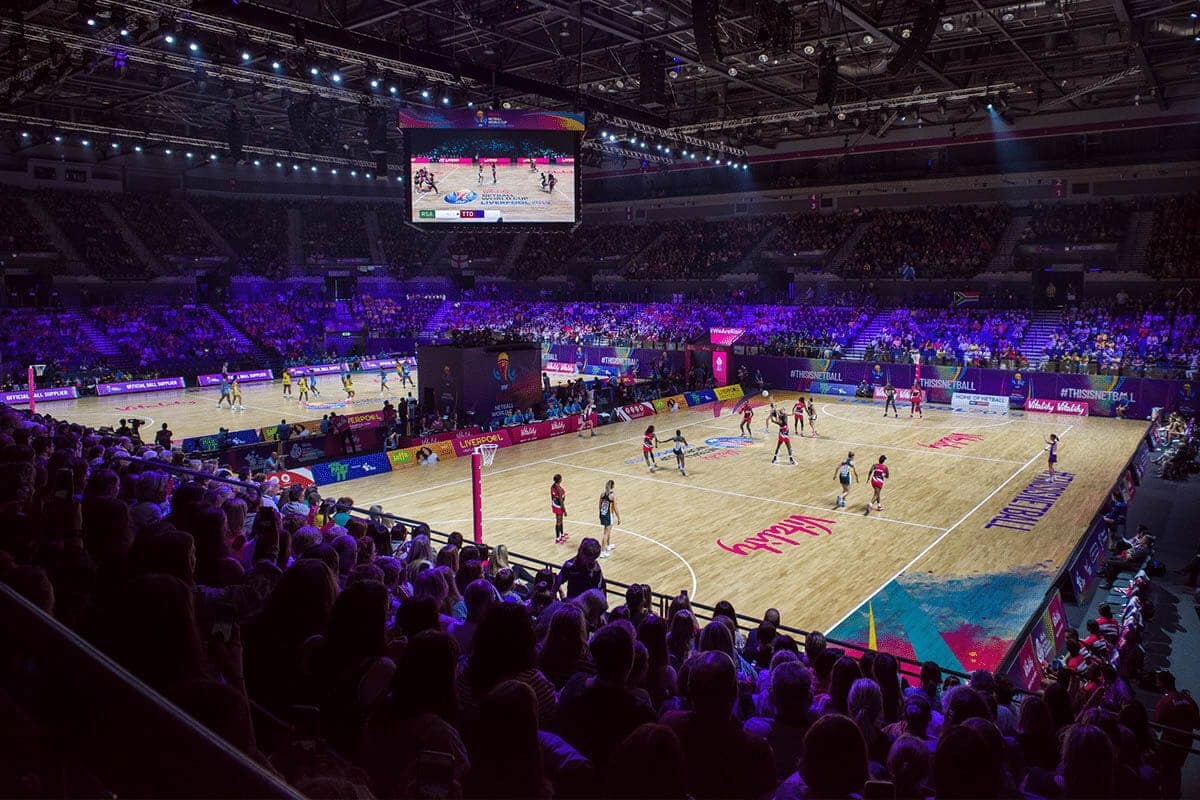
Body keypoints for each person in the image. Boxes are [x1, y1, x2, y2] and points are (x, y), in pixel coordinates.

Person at [1155, 670, 1200, 798]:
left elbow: (1158, 726)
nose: (1157, 684)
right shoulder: (1189, 700)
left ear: (1163, 683)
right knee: (1175, 769)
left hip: (1169, 743)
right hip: (1185, 742)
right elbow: (1197, 724)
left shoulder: (1164, 701)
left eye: (1158, 682)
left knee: (1166, 770)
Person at [599, 480, 620, 559]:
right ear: (613, 486)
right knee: (606, 533)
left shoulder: (602, 494)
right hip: (609, 515)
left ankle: (608, 545)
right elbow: (615, 508)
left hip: (603, 514)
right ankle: (602, 552)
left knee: (608, 531)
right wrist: (618, 518)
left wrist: (600, 514)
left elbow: (599, 505)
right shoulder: (612, 496)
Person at [551, 473, 567, 545]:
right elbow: (561, 500)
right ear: (560, 480)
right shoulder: (559, 489)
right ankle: (558, 538)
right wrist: (564, 509)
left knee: (560, 520)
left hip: (555, 504)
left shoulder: (552, 486)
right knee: (558, 521)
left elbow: (552, 496)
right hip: (559, 506)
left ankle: (562, 534)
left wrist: (553, 503)